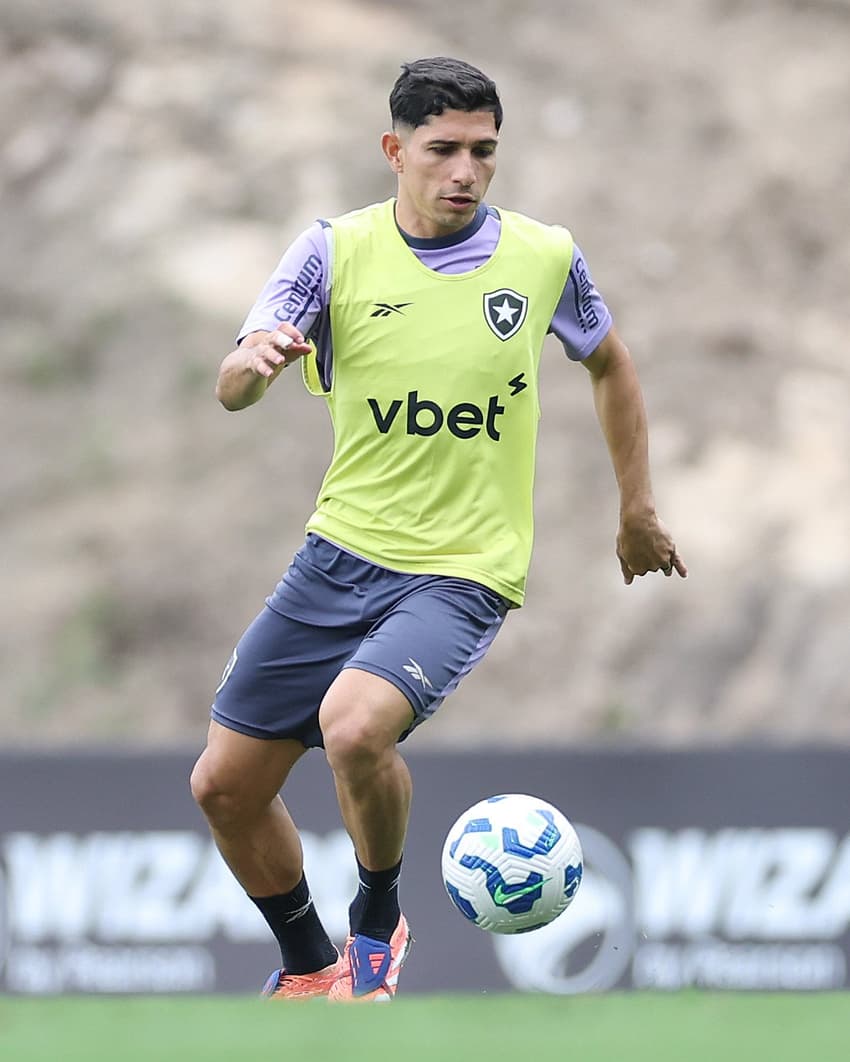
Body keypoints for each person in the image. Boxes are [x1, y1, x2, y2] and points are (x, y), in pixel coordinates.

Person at [189, 55, 686, 1003]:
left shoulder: (542, 257)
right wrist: (253, 362)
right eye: (443, 149)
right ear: (395, 150)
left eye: (484, 151)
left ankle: (378, 917)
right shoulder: (333, 252)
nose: (466, 170)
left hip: (463, 569)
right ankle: (310, 966)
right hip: (337, 555)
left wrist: (636, 509)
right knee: (223, 787)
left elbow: (611, 363)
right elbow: (233, 386)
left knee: (353, 728)